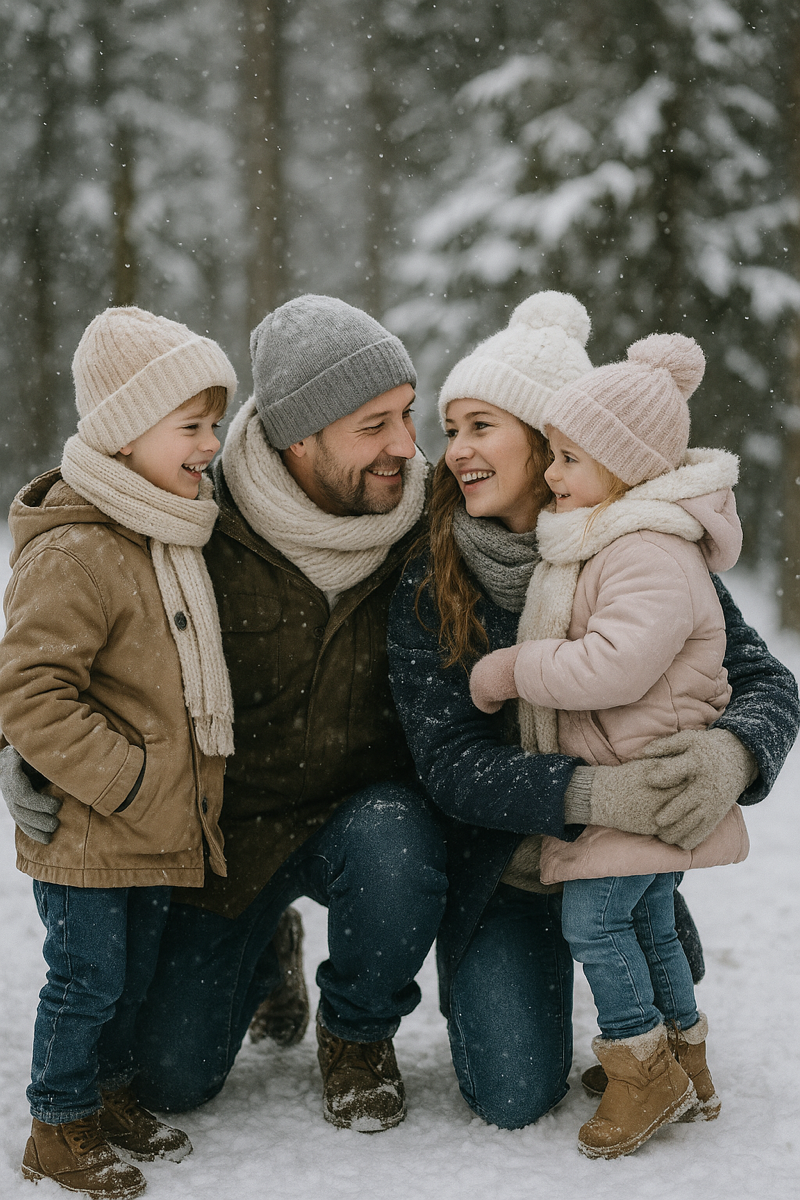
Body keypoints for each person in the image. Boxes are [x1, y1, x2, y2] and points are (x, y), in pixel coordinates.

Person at [1, 295, 448, 1134]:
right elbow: (76, 626)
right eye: (373, 425)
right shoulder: (194, 518)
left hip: (365, 813)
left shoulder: (432, 519)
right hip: (223, 830)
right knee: (171, 1078)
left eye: (407, 415)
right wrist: (19, 746)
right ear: (298, 439)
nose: (406, 447)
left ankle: (355, 1033)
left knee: (397, 843)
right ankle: (266, 949)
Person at [387, 291, 800, 1131]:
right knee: (511, 1090)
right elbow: (449, 763)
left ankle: (666, 1056)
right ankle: (549, 983)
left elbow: (765, 679)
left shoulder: (637, 544)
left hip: (624, 852)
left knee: (627, 933)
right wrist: (590, 795)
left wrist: (733, 755)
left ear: (551, 442)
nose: (454, 450)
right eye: (451, 427)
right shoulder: (435, 574)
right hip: (508, 865)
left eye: (480, 426)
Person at [469, 331, 750, 1158]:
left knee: (596, 923)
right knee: (652, 923)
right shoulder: (626, 538)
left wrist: (513, 669)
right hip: (641, 765)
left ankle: (640, 1068)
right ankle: (683, 1060)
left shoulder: (646, 551)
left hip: (648, 771)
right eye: (551, 453)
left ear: (625, 469)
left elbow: (616, 666)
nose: (554, 475)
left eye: (570, 458)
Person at [0, 306, 238, 1199]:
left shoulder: (166, 535)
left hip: (154, 825)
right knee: (86, 979)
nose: (210, 444)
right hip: (91, 829)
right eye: (191, 426)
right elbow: (27, 692)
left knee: (133, 977)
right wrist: (129, 779)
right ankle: (56, 1127)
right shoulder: (76, 551)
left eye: (215, 423)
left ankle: (104, 1096)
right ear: (124, 431)